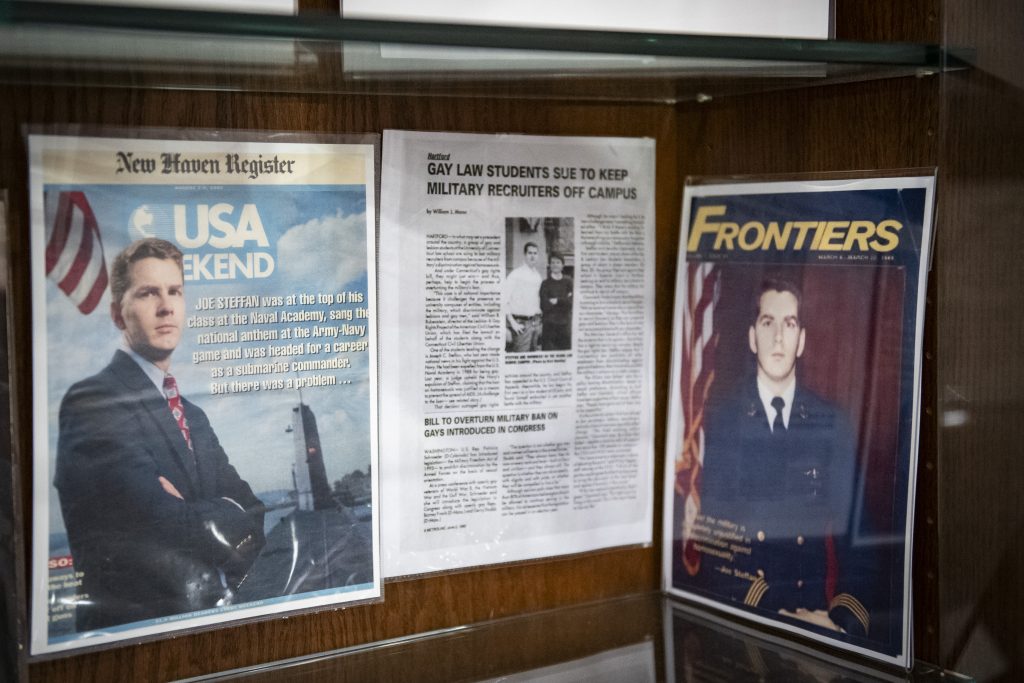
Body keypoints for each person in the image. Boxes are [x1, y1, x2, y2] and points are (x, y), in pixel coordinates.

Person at [54, 238, 265, 631]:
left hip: (217, 624)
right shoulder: (93, 401)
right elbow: (164, 526)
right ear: (118, 314)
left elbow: (254, 511)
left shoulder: (194, 414)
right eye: (148, 292)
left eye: (175, 291)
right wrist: (225, 511)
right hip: (132, 642)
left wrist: (213, 514)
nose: (166, 306)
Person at [695, 277, 873, 639]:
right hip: (754, 621)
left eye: (789, 324)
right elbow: (713, 546)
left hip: (822, 622)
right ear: (751, 337)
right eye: (767, 322)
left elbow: (859, 544)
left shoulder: (832, 422)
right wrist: (779, 616)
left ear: (801, 340)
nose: (778, 337)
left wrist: (841, 621)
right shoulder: (723, 423)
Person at [504, 241, 543, 352]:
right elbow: (504, 300)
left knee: (533, 360)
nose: (532, 256)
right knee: (520, 360)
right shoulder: (516, 274)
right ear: (525, 255)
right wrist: (512, 323)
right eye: (530, 253)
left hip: (535, 323)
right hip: (521, 324)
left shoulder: (537, 276)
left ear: (538, 256)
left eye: (535, 253)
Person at [539, 252, 573, 350]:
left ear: (562, 265)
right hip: (549, 328)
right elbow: (544, 305)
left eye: (558, 262)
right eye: (552, 262)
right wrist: (564, 300)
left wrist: (557, 301)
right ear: (549, 265)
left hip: (565, 327)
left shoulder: (569, 282)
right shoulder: (545, 284)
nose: (555, 265)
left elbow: (571, 303)